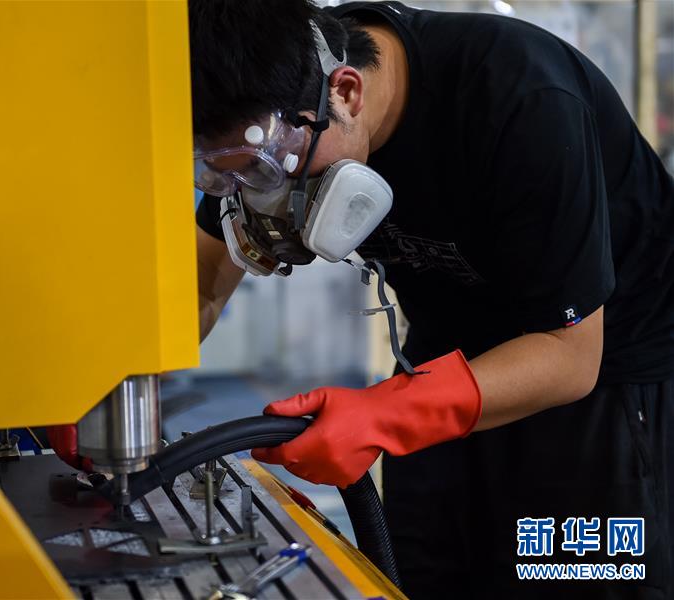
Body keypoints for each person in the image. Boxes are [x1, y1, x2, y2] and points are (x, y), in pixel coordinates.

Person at [190, 1, 674, 598]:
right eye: (236, 178)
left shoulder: (519, 96)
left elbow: (570, 356)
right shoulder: (263, 112)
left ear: (347, 92)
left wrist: (381, 414)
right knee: (423, 577)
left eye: (274, 174)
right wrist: (115, 386)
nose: (267, 201)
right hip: (443, 369)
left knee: (567, 583)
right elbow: (202, 277)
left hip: (598, 384)